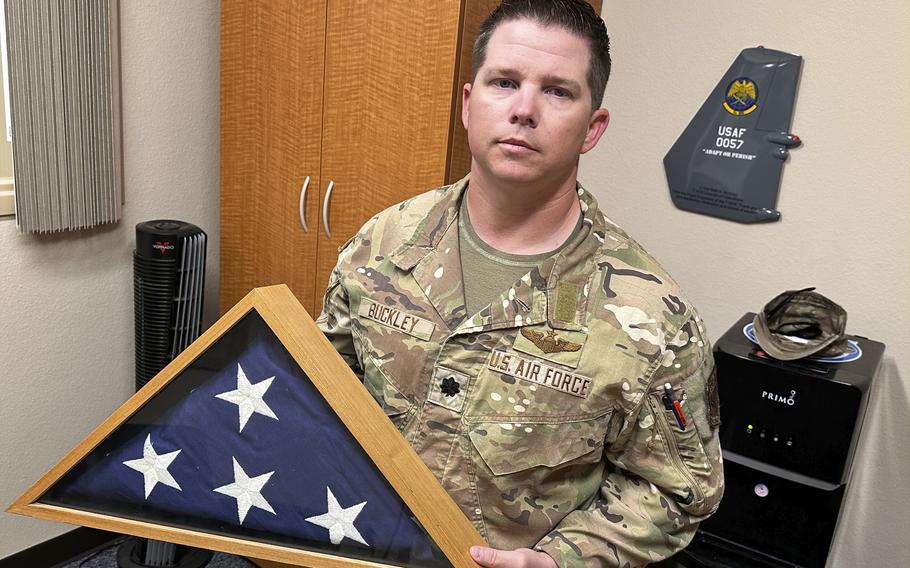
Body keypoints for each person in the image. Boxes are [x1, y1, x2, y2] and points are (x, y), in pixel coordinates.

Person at [316, 1, 723, 566]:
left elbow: (675, 492)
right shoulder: (382, 241)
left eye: (558, 91)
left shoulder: (652, 319)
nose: (524, 109)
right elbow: (319, 388)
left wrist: (563, 560)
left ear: (592, 127)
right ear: (467, 103)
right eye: (504, 82)